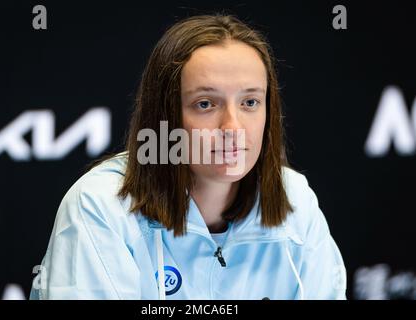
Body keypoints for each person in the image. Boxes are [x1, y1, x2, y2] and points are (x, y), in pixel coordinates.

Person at [30, 14, 346, 300]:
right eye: (206, 104)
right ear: (164, 116)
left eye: (250, 102)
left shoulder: (296, 202)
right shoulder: (99, 206)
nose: (232, 127)